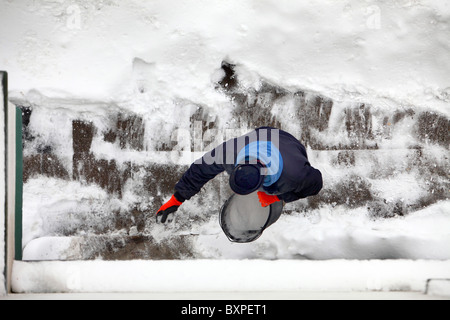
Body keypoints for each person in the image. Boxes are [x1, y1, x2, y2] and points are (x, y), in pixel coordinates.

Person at [156, 127, 323, 223]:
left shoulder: (293, 176)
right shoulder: (229, 153)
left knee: (287, 188)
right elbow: (200, 170)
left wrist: (280, 197)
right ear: (237, 166)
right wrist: (177, 199)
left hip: (291, 146)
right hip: (263, 134)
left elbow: (316, 183)